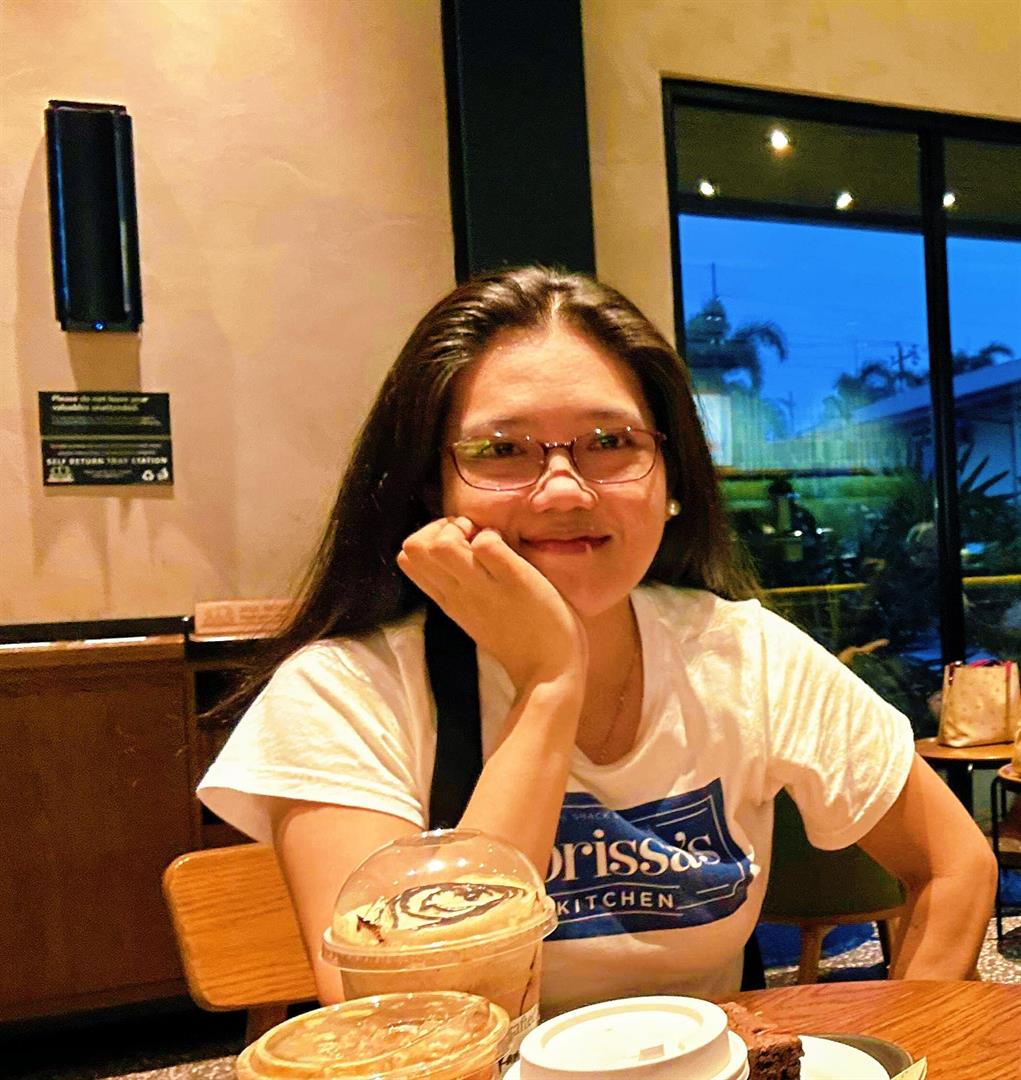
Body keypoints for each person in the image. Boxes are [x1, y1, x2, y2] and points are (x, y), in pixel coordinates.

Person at [199, 266, 996, 1013]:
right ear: (429, 488)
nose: (563, 491)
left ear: (672, 477)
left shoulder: (744, 656)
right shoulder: (345, 692)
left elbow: (953, 864)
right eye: (499, 450)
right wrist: (548, 684)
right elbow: (409, 1018)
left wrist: (904, 1049)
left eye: (610, 442)